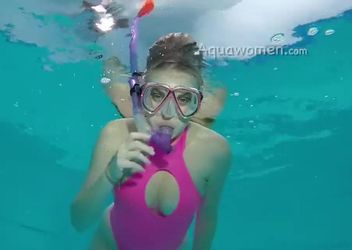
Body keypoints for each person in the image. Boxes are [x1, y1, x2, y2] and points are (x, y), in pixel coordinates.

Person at [70, 32, 232, 250]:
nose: (167, 114)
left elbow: (208, 216)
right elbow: (79, 222)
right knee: (117, 93)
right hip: (110, 243)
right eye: (156, 94)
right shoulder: (116, 135)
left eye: (185, 99)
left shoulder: (215, 151)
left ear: (197, 102)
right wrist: (110, 174)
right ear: (140, 96)